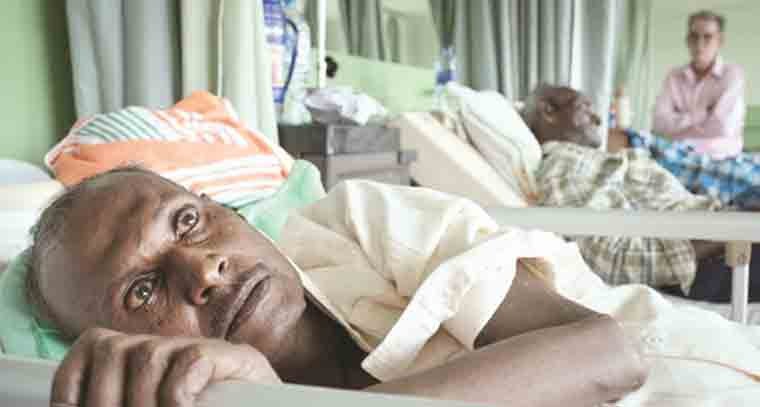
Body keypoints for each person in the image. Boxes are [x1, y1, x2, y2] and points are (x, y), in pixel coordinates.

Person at [26, 167, 647, 407]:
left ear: (232, 213)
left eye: (188, 221)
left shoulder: (360, 223)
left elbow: (606, 354)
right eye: (142, 291)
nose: (204, 270)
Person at [524, 84, 760, 303]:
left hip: (727, 232)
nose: (598, 119)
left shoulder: (592, 161)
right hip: (719, 254)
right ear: (549, 111)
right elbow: (611, 256)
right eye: (585, 108)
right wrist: (734, 229)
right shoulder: (564, 163)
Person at [652, 10, 746, 159]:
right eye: (694, 37)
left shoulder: (732, 75)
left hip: (721, 158)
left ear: (720, 41)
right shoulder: (673, 77)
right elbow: (659, 123)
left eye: (707, 37)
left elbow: (722, 127)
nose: (699, 44)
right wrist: (703, 114)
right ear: (687, 40)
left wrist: (679, 123)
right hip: (677, 157)